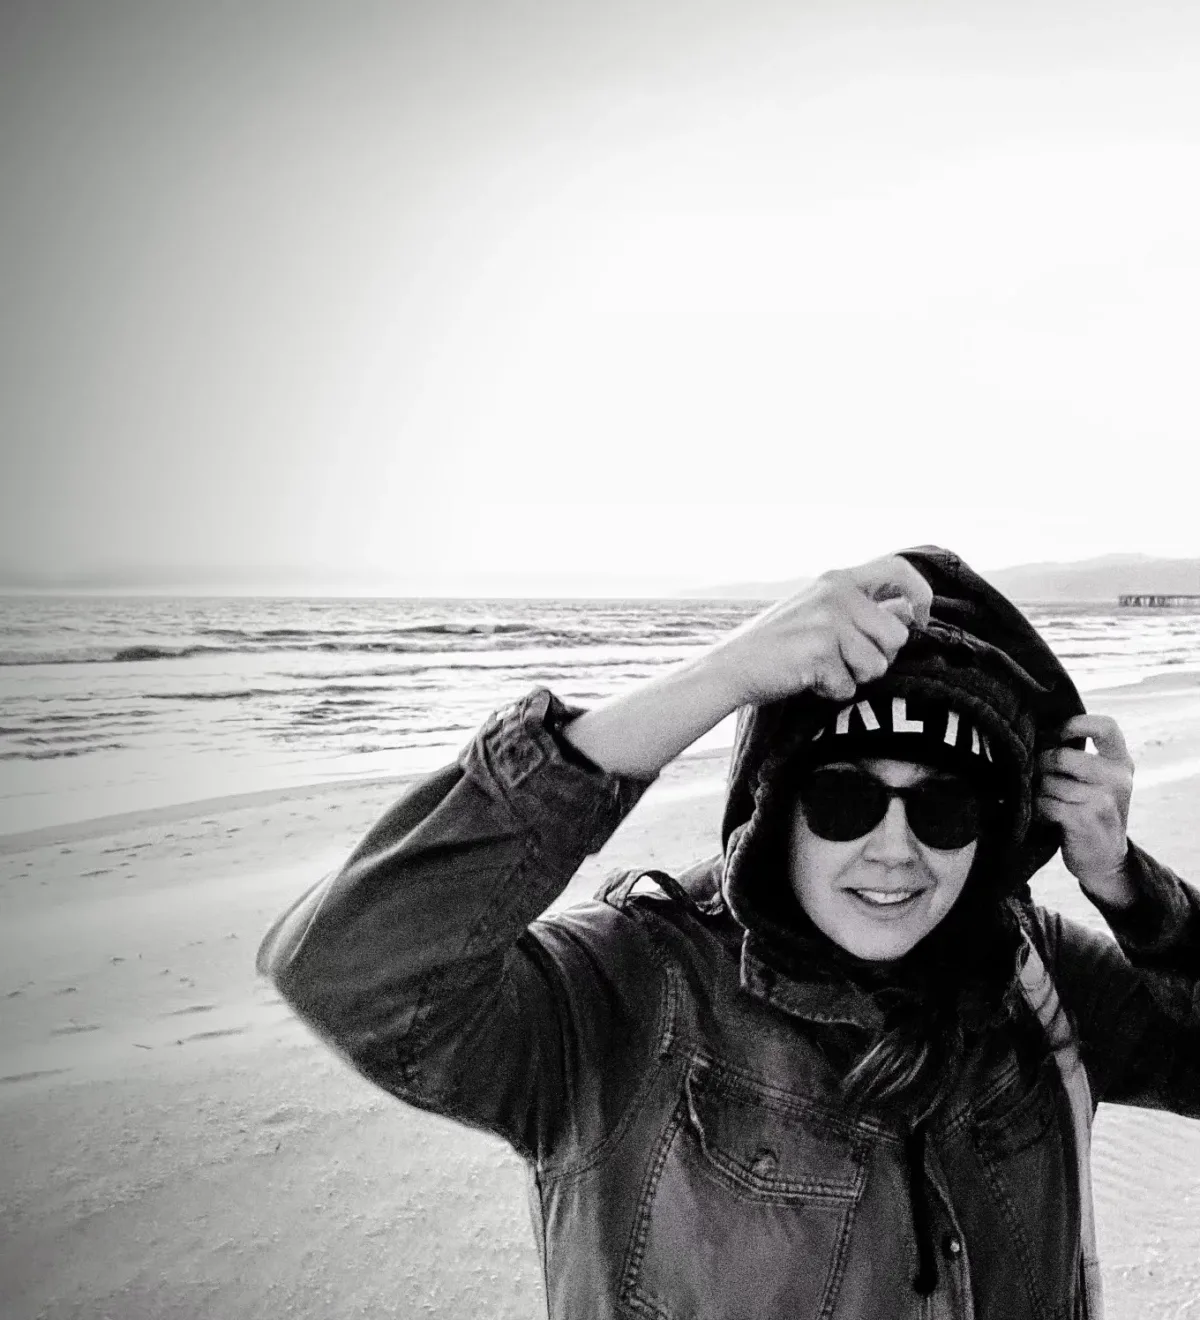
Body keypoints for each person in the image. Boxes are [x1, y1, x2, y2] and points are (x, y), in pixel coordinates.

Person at [258, 545, 1200, 1320]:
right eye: (843, 796)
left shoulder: (1025, 976)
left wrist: (1124, 885)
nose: (894, 850)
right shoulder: (634, 987)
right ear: (776, 806)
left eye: (946, 807)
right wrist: (719, 679)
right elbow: (350, 970)